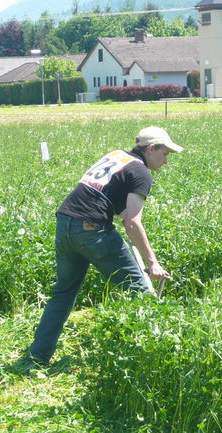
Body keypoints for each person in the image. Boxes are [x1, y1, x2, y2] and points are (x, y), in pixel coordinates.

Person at [29, 126, 183, 365]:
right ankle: (157, 357)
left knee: (63, 293)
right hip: (93, 229)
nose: (166, 161)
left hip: (65, 223)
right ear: (151, 149)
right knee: (140, 291)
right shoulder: (141, 172)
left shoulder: (117, 156)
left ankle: (37, 356)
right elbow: (131, 222)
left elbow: (109, 199)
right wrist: (153, 263)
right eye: (165, 154)